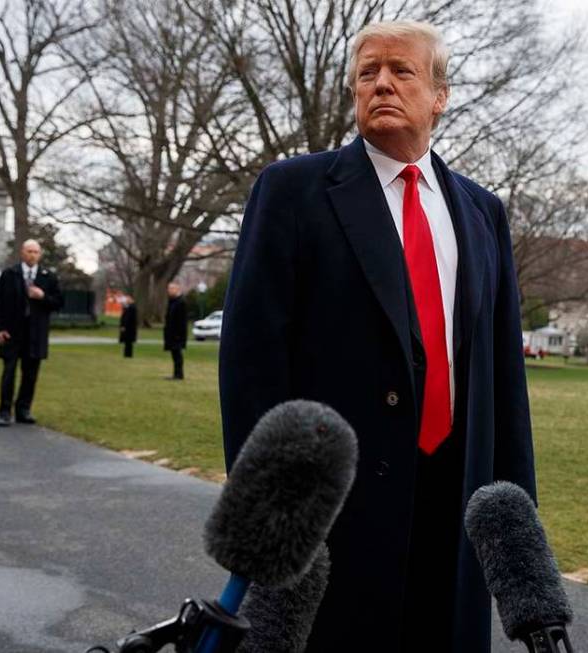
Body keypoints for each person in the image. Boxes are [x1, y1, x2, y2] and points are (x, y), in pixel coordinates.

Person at [219, 20, 535, 653]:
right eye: (368, 73)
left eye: (401, 71)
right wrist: (272, 514)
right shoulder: (293, 192)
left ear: (439, 95)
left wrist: (515, 523)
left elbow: (503, 375)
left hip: (458, 514)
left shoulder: (481, 211)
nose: (382, 83)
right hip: (337, 512)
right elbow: (252, 359)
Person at [0, 239, 63, 426]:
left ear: (40, 255)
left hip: (36, 333)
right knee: (9, 373)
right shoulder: (10, 274)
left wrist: (43, 296)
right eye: (29, 251)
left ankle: (23, 409)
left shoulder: (48, 277)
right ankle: (5, 411)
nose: (32, 255)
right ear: (22, 253)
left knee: (30, 374)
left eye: (36, 252)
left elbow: (58, 303)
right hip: (12, 332)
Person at [163, 282, 187, 379]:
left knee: (177, 355)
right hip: (171, 333)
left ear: (177, 289)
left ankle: (179, 374)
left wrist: (179, 335)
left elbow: (182, 321)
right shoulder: (172, 301)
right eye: (168, 288)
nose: (169, 290)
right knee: (174, 354)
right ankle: (176, 374)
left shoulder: (181, 302)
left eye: (171, 288)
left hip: (177, 335)